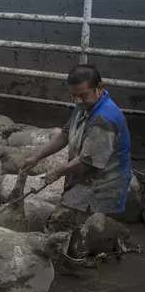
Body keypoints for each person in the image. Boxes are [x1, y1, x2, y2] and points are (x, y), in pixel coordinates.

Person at [21, 64, 132, 274]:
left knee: (60, 220)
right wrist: (37, 156)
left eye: (82, 95)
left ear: (99, 88)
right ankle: (75, 262)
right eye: (73, 96)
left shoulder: (104, 119)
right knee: (76, 221)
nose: (77, 100)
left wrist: (58, 171)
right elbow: (64, 135)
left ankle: (47, 267)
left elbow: (89, 160)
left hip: (102, 180)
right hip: (85, 174)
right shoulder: (84, 106)